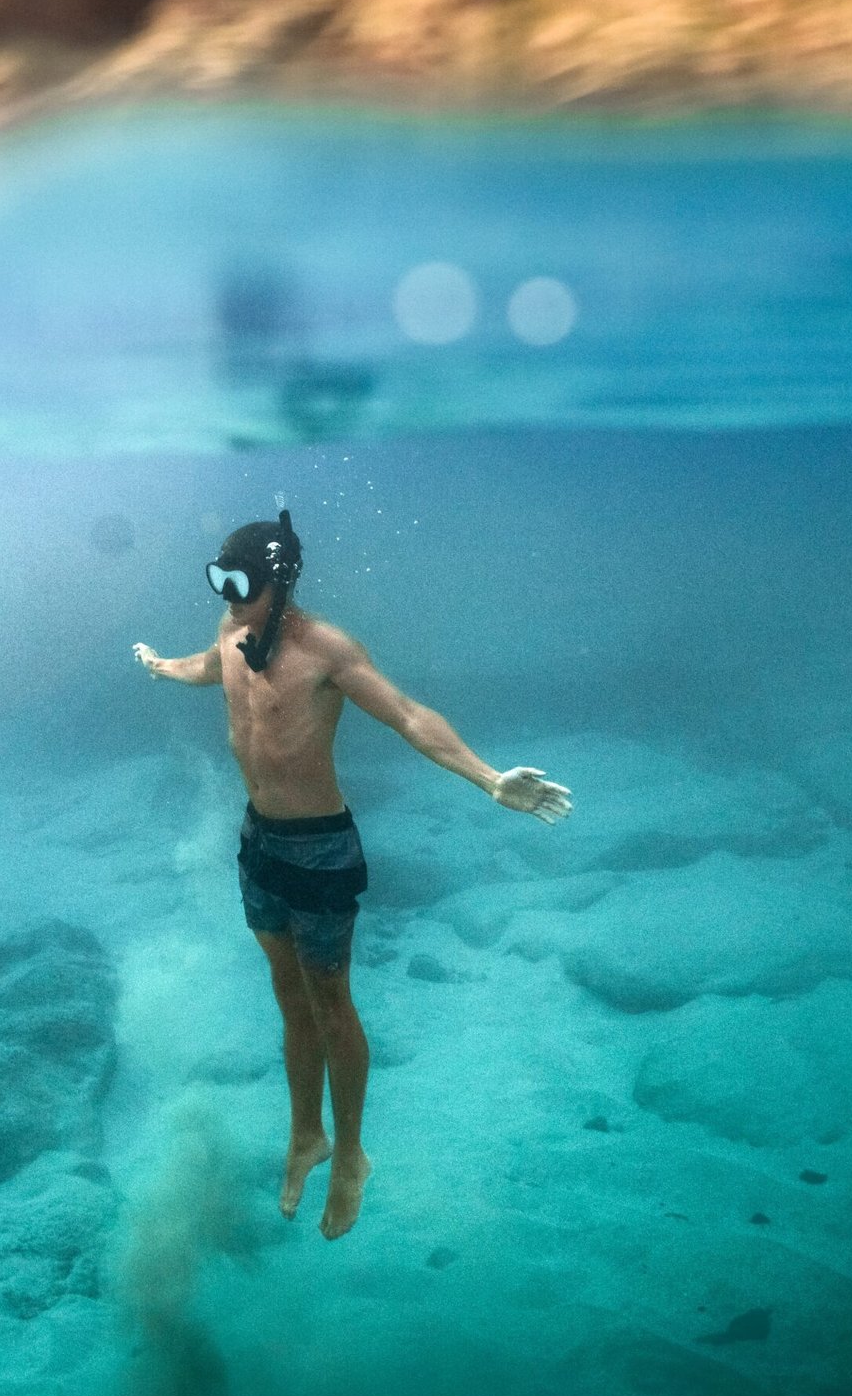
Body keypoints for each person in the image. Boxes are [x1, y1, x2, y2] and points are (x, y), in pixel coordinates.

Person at [133, 509, 572, 1240]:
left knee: (331, 1005)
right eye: (217, 580)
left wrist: (489, 779)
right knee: (289, 998)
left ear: (277, 582)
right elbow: (208, 670)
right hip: (260, 843)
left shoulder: (326, 650)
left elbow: (407, 714)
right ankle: (307, 1136)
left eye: (237, 582)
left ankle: (352, 1156)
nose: (226, 597)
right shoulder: (231, 630)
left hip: (320, 850)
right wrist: (160, 666)